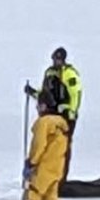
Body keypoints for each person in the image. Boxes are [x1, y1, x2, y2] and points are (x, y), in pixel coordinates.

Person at [14, 90, 69, 200]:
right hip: (57, 166)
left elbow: (39, 144)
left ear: (43, 106)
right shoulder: (61, 124)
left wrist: (31, 162)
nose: (37, 109)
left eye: (38, 106)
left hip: (43, 166)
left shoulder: (43, 123)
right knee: (51, 193)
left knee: (33, 193)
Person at [24, 46, 82, 179]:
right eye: (55, 59)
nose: (56, 62)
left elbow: (75, 94)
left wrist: (71, 111)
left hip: (65, 115)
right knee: (47, 146)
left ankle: (61, 178)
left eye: (59, 59)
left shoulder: (70, 74)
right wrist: (33, 92)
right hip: (50, 114)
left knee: (62, 147)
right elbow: (45, 93)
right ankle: (45, 176)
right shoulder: (49, 73)